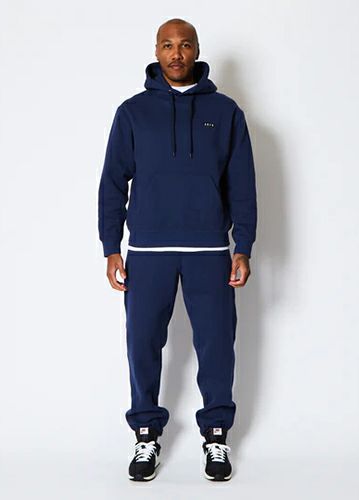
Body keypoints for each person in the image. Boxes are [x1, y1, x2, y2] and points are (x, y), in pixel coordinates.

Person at [97, 18, 257, 482]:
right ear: (156, 51)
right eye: (168, 45)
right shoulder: (132, 112)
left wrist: (243, 245)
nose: (176, 53)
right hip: (148, 250)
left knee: (217, 346)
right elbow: (112, 183)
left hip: (210, 250)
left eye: (185, 45)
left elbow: (242, 184)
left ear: (196, 50)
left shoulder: (225, 112)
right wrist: (111, 246)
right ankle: (146, 434)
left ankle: (216, 437)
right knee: (142, 344)